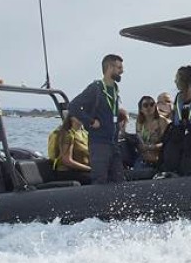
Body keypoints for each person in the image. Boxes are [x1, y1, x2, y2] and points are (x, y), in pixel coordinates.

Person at [69, 53, 126, 184]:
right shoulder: (96, 88)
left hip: (113, 144)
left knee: (119, 179)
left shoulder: (115, 90)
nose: (122, 71)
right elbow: (73, 106)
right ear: (110, 68)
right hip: (99, 143)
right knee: (100, 180)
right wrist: (90, 121)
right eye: (119, 68)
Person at [47, 114, 92, 184]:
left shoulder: (84, 133)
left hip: (80, 171)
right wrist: (90, 169)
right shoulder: (67, 134)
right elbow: (67, 161)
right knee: (95, 178)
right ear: (72, 117)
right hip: (66, 172)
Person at [133, 95, 169, 169]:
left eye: (152, 104)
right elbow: (139, 138)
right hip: (144, 157)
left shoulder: (162, 121)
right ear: (141, 109)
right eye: (146, 105)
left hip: (160, 157)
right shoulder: (139, 122)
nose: (149, 107)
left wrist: (152, 147)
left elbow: (167, 142)